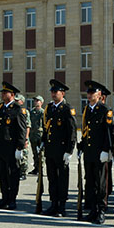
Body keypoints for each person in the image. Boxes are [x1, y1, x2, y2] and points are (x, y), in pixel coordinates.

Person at [78, 80, 114, 224]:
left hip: (101, 153)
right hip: (89, 152)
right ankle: (93, 210)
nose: (89, 95)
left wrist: (106, 150)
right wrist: (81, 146)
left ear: (99, 94)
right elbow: (87, 130)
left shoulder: (105, 110)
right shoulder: (88, 109)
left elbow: (109, 132)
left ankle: (101, 211)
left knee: (101, 184)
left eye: (92, 92)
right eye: (88, 92)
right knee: (91, 182)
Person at [41, 79, 77, 216]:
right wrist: (43, 142)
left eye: (55, 92)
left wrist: (69, 150)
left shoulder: (67, 109)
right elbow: (46, 127)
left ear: (62, 93)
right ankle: (53, 203)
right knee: (52, 178)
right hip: (50, 149)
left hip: (62, 150)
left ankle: (62, 206)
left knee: (62, 178)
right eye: (52, 91)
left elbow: (72, 131)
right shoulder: (49, 108)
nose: (53, 94)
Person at [0, 82, 27, 210]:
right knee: (2, 174)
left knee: (13, 174)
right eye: (2, 92)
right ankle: (4, 197)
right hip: (0, 146)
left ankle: (12, 200)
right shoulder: (0, 108)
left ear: (12, 95)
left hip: (11, 147)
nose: (2, 94)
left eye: (5, 93)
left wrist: (20, 147)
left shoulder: (18, 109)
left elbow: (22, 130)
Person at [29, 96, 45, 176]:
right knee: (34, 152)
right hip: (33, 135)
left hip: (40, 135)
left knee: (40, 154)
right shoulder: (32, 112)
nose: (36, 102)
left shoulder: (43, 112)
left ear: (41, 102)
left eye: (38, 100)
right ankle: (36, 168)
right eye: (35, 100)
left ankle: (40, 168)